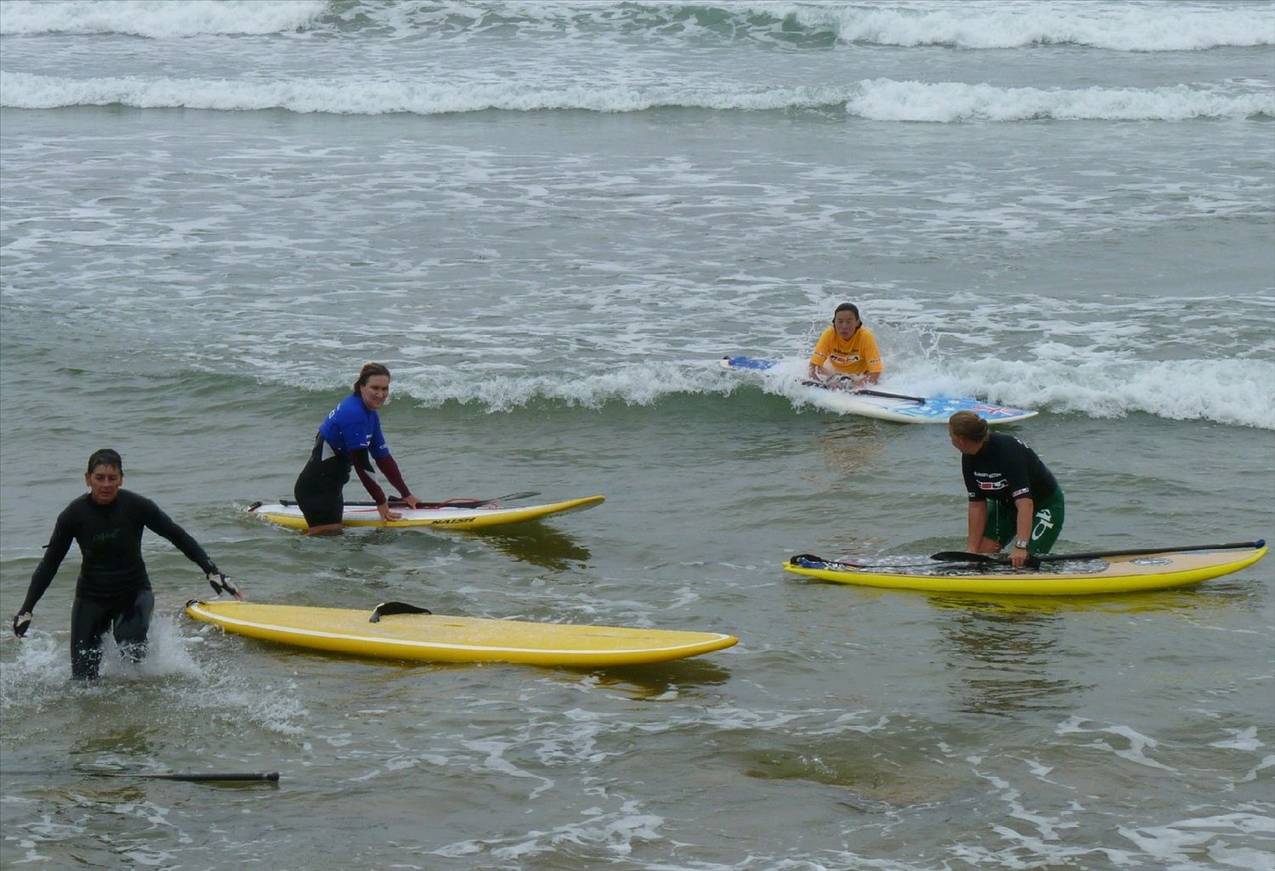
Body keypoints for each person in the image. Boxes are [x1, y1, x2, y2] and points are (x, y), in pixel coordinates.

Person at [11, 449, 241, 680]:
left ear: (121, 479)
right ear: (87, 479)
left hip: (133, 593)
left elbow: (177, 535)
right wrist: (27, 608)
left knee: (131, 648)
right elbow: (50, 564)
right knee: (82, 680)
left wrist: (211, 570)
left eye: (112, 478)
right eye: (99, 477)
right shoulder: (73, 515)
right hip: (91, 597)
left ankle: (140, 703)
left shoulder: (137, 506)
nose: (106, 484)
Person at [293, 362, 423, 535]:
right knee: (327, 539)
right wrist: (381, 502)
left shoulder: (370, 413)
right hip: (316, 490)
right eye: (375, 388)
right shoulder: (353, 413)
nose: (380, 394)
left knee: (333, 542)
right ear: (361, 386)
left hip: (331, 489)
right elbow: (362, 465)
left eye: (385, 388)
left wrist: (406, 494)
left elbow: (383, 458)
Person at [948, 411, 1065, 568]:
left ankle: (1050, 568)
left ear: (961, 439)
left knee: (1026, 561)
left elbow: (1025, 504)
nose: (950, 439)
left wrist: (1021, 546)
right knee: (982, 558)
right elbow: (977, 504)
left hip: (1043, 504)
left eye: (950, 435)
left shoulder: (1007, 451)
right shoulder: (968, 456)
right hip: (1005, 506)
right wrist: (972, 550)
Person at [807, 302, 884, 387]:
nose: (844, 326)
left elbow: (875, 373)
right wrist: (821, 384)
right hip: (834, 374)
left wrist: (853, 385)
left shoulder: (866, 337)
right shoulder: (829, 334)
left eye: (849, 322)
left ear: (857, 322)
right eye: (840, 321)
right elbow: (813, 366)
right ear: (834, 322)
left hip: (861, 375)